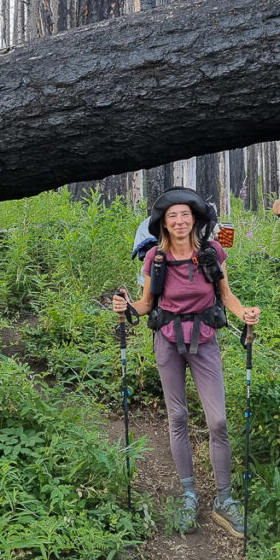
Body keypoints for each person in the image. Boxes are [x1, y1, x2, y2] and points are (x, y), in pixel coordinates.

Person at [113, 187, 261, 538]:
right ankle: (188, 495)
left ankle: (224, 501)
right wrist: (126, 308)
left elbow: (226, 296)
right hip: (167, 339)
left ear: (194, 218)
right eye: (171, 216)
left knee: (219, 420)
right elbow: (147, 302)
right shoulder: (155, 259)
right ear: (163, 224)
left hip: (205, 338)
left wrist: (245, 313)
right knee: (177, 416)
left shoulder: (212, 253)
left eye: (184, 214)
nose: (179, 221)